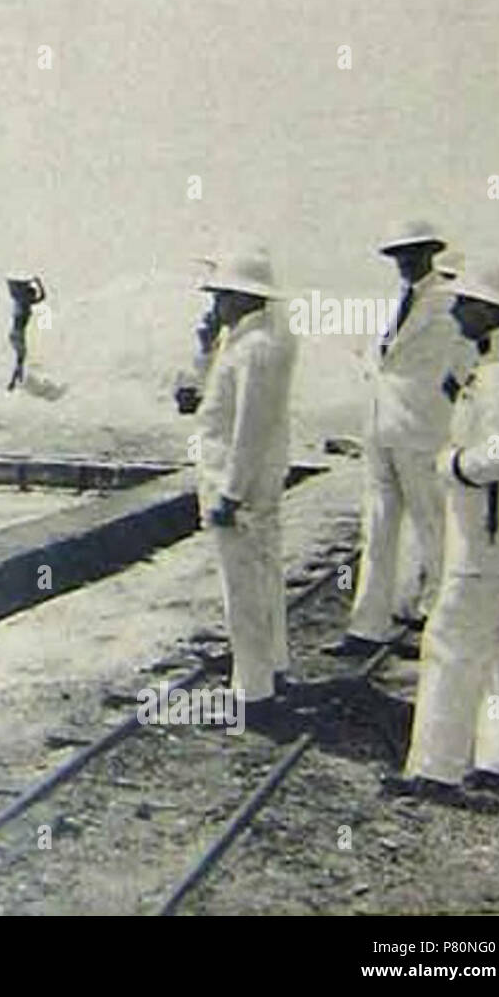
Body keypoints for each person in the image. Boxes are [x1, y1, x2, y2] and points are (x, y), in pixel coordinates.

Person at [385, 264, 499, 803]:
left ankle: (436, 769)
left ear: (490, 310)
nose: (454, 311)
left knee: (450, 644)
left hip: (486, 538)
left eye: (465, 303)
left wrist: (452, 464)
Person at [323, 220, 476, 658]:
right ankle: (367, 626)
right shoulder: (397, 302)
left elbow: (467, 358)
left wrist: (447, 402)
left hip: (424, 431)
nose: (404, 262)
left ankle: (439, 620)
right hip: (381, 430)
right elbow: (382, 362)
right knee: (377, 528)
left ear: (431, 252)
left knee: (433, 527)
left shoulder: (449, 301)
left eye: (412, 252)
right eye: (397, 254)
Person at [195, 250, 297, 732]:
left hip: (241, 489)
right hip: (250, 484)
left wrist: (229, 494)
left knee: (244, 591)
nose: (213, 304)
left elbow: (250, 427)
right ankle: (270, 671)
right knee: (261, 580)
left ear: (240, 297)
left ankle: (251, 695)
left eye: (218, 295)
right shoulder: (249, 340)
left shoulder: (254, 348)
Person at [6, 276, 46, 390]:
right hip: (18, 334)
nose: (33, 297)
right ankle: (13, 383)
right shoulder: (24, 304)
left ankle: (18, 380)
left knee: (20, 358)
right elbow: (42, 297)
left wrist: (37, 283)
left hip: (14, 333)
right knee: (20, 358)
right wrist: (38, 283)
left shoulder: (22, 303)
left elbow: (41, 297)